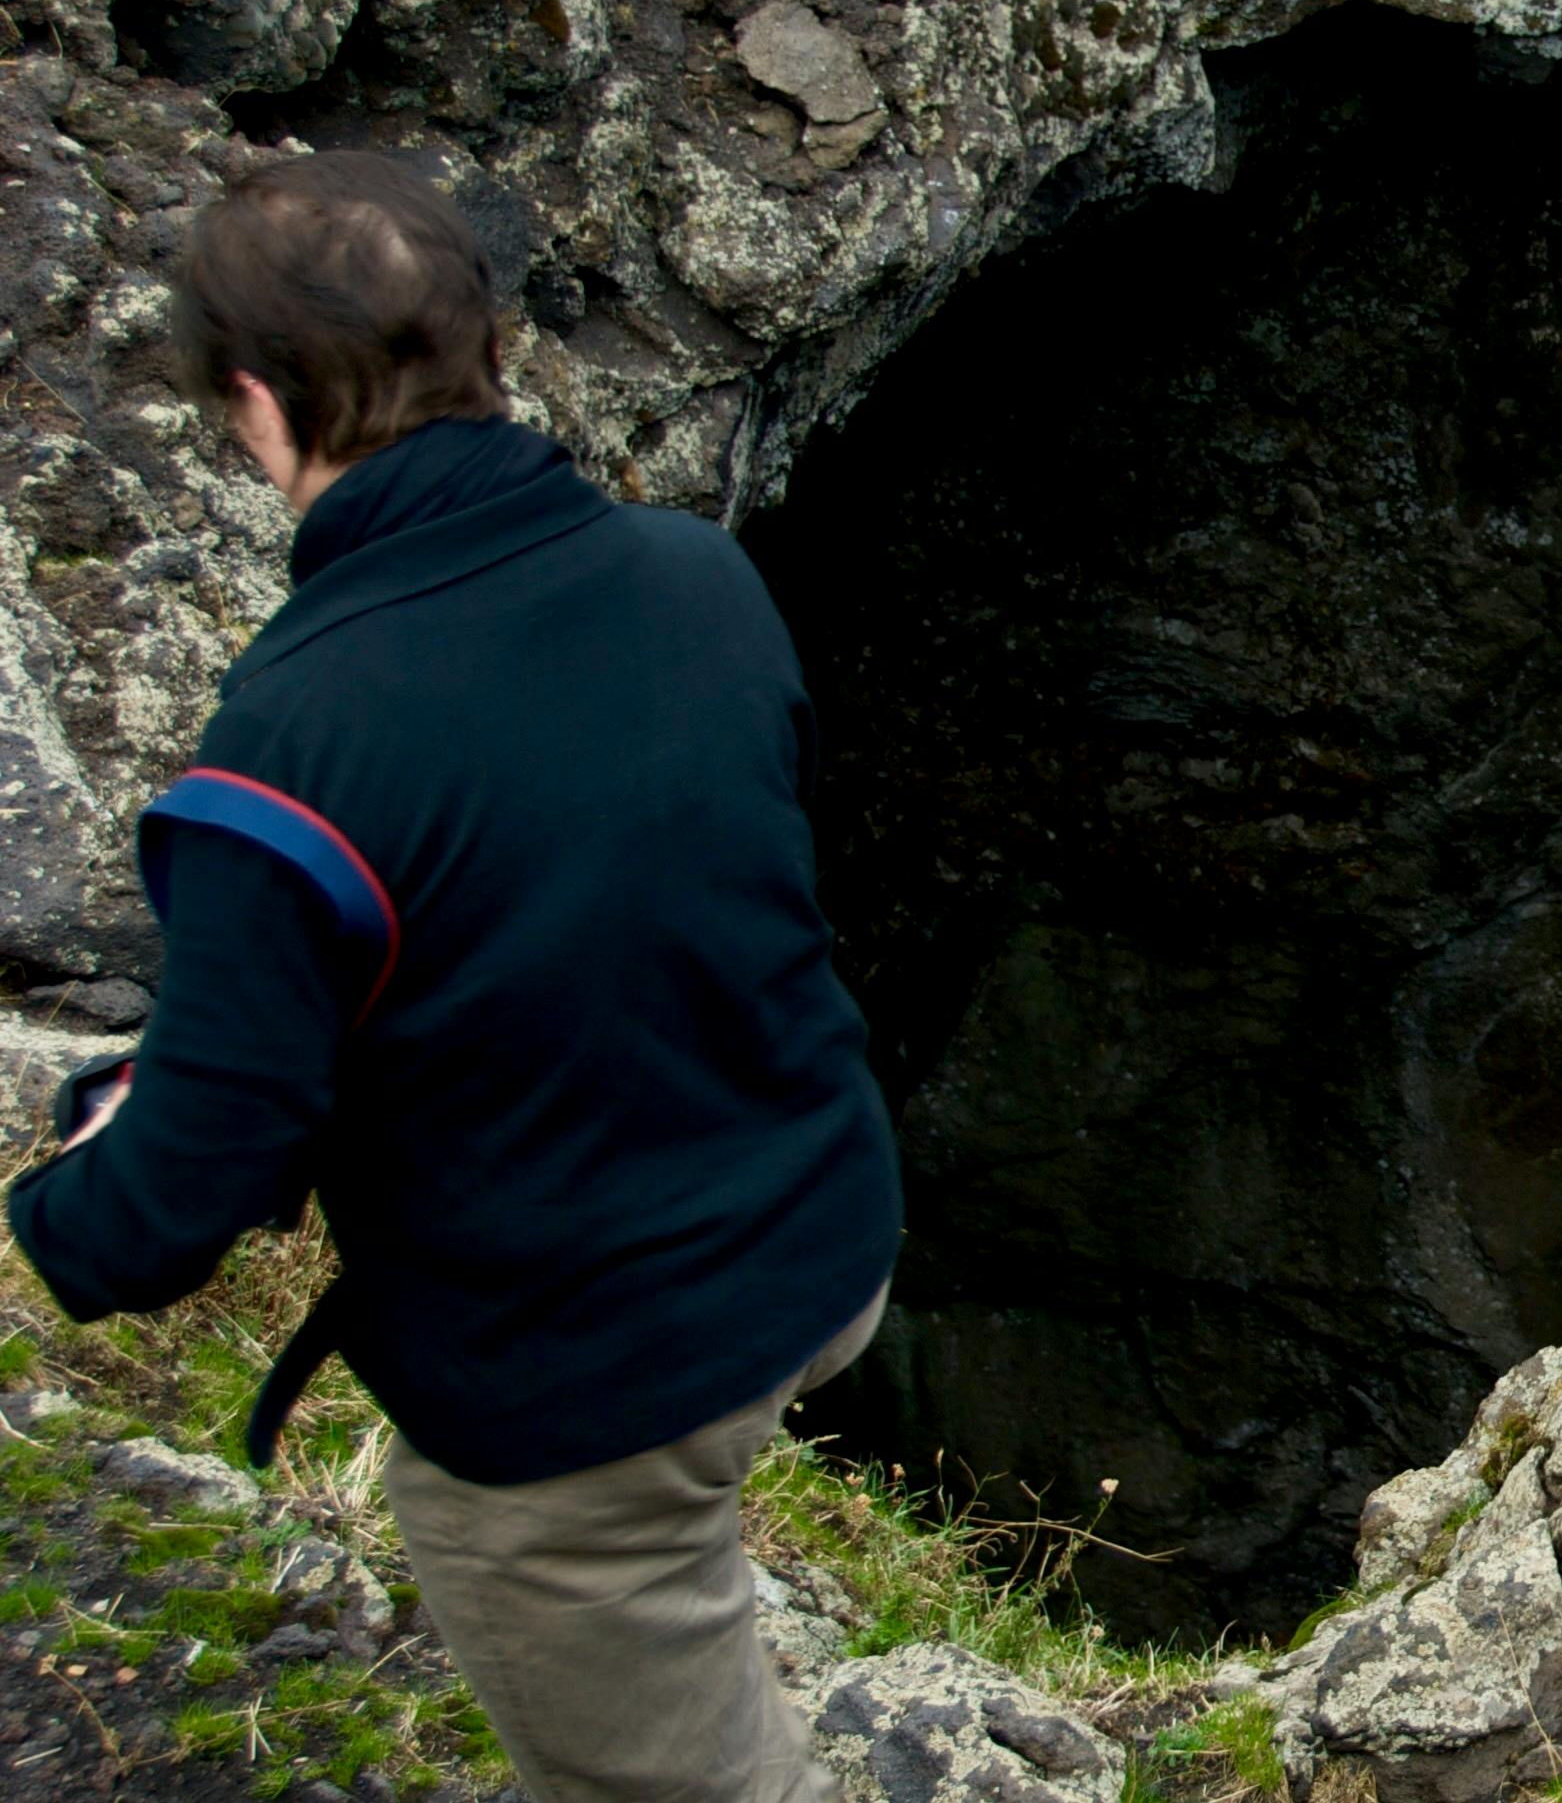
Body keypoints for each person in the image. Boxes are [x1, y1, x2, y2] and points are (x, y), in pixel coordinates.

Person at [6, 151, 903, 1803]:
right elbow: (665, 878)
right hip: (823, 1230)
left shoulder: (289, 755)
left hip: (587, 1384)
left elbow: (166, 1208)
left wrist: (60, 1190)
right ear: (490, 343)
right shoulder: (695, 574)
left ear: (257, 404)